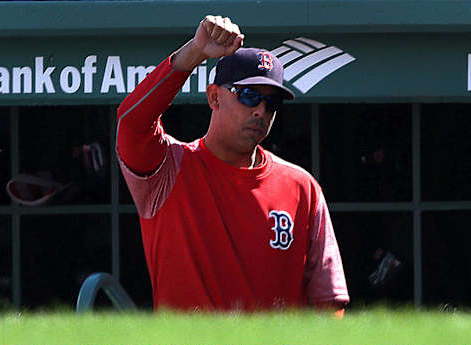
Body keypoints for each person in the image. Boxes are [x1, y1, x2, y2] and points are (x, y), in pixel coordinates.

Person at [116, 15, 349, 313]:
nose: (260, 111)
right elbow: (131, 122)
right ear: (214, 96)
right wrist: (196, 51)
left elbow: (328, 301)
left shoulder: (301, 187)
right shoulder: (168, 168)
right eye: (250, 96)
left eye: (272, 103)